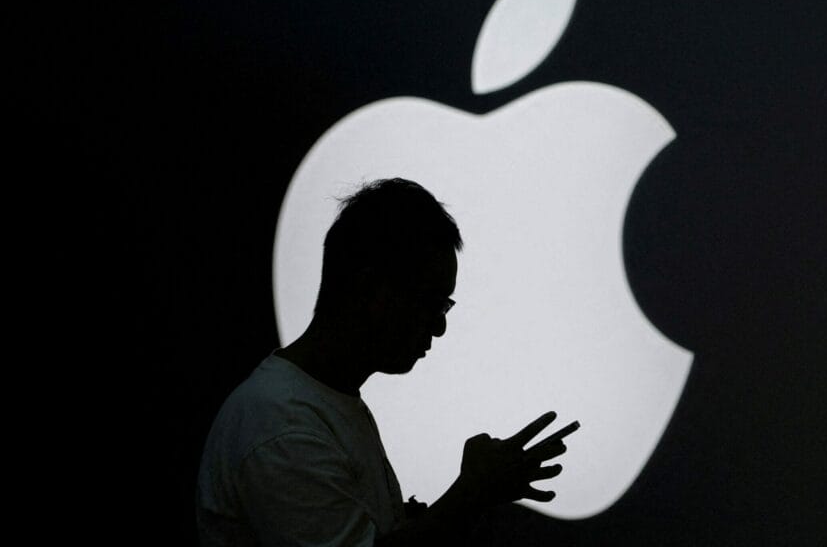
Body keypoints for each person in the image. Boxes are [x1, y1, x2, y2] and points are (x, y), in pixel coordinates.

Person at [196, 178, 577, 547]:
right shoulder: (282, 429)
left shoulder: (316, 406)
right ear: (369, 289)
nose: (440, 327)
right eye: (432, 302)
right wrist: (470, 497)